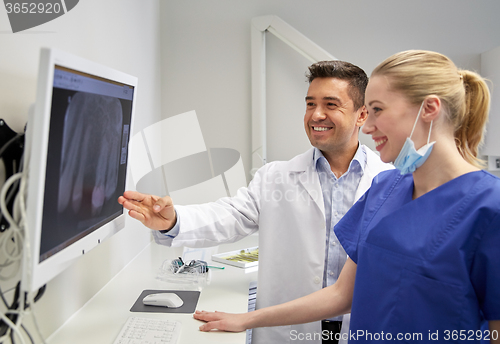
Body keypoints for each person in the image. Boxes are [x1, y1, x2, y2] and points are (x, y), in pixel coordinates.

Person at [192, 50, 500, 343]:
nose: (369, 126)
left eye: (378, 109)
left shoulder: (489, 207)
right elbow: (343, 293)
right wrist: (247, 319)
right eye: (309, 103)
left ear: (429, 109)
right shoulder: (385, 189)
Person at [118, 60, 393, 344]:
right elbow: (230, 216)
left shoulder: (391, 181)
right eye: (310, 104)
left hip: (362, 326)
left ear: (362, 115)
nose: (316, 115)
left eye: (331, 105)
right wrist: (174, 221)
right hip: (288, 331)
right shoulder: (276, 176)